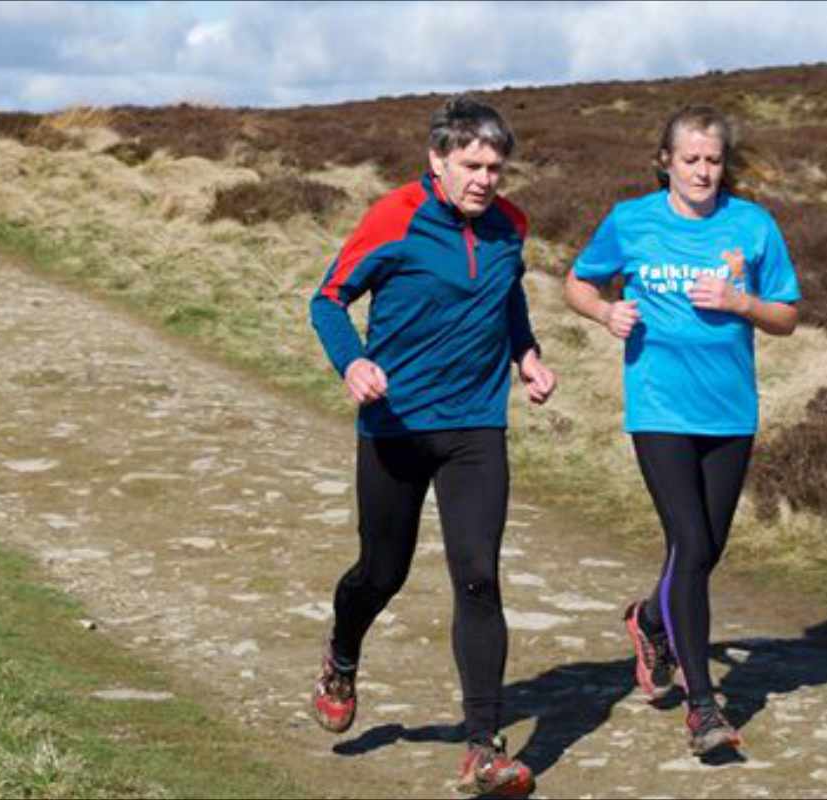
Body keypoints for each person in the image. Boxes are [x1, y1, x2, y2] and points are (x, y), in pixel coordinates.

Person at [308, 95, 556, 796]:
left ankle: (483, 747)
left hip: (476, 427)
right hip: (396, 424)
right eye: (471, 165)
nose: (484, 179)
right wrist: (352, 362)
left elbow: (507, 298)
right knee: (380, 573)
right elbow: (327, 299)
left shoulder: (511, 226)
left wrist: (527, 357)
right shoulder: (395, 217)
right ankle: (343, 652)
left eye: (495, 167)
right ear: (437, 160)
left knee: (479, 575)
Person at [563, 105, 800, 755]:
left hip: (730, 412)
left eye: (713, 160)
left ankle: (648, 619)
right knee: (690, 541)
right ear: (664, 160)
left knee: (705, 551)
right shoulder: (631, 221)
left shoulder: (752, 225)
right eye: (690, 159)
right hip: (659, 408)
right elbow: (578, 284)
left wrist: (742, 302)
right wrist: (605, 311)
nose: (702, 171)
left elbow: (787, 314)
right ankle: (703, 707)